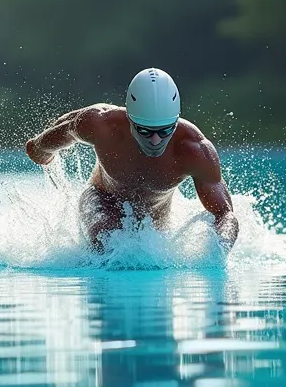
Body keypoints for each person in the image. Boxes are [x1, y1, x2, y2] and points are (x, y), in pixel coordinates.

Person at [24, 68, 239, 254]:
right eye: (144, 131)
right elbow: (69, 126)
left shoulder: (195, 149)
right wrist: (41, 149)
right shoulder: (102, 125)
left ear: (175, 122)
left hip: (155, 227)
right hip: (102, 199)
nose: (155, 140)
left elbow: (225, 214)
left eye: (164, 131)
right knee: (107, 242)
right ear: (130, 119)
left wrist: (219, 249)